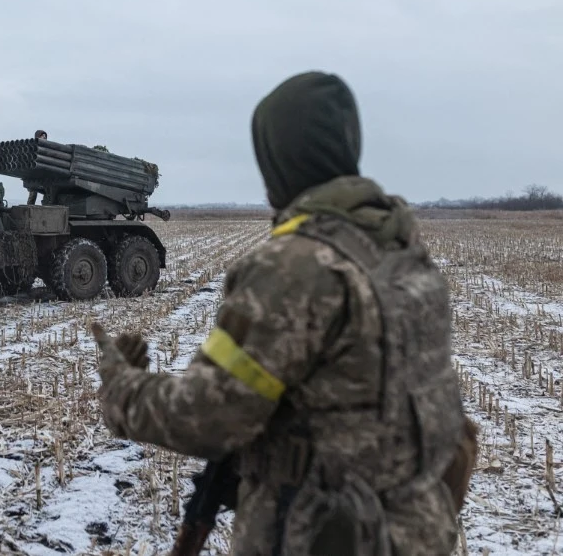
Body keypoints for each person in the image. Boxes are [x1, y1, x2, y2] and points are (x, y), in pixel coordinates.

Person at [90, 71, 478, 555]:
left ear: (279, 160)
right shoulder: (401, 251)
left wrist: (122, 387)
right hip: (418, 533)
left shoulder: (295, 267)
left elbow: (208, 416)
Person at [27, 130, 48, 205]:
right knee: (33, 194)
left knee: (48, 192)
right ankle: (29, 207)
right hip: (33, 174)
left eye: (45, 137)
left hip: (44, 174)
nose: (44, 138)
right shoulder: (33, 147)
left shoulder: (47, 148)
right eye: (42, 136)